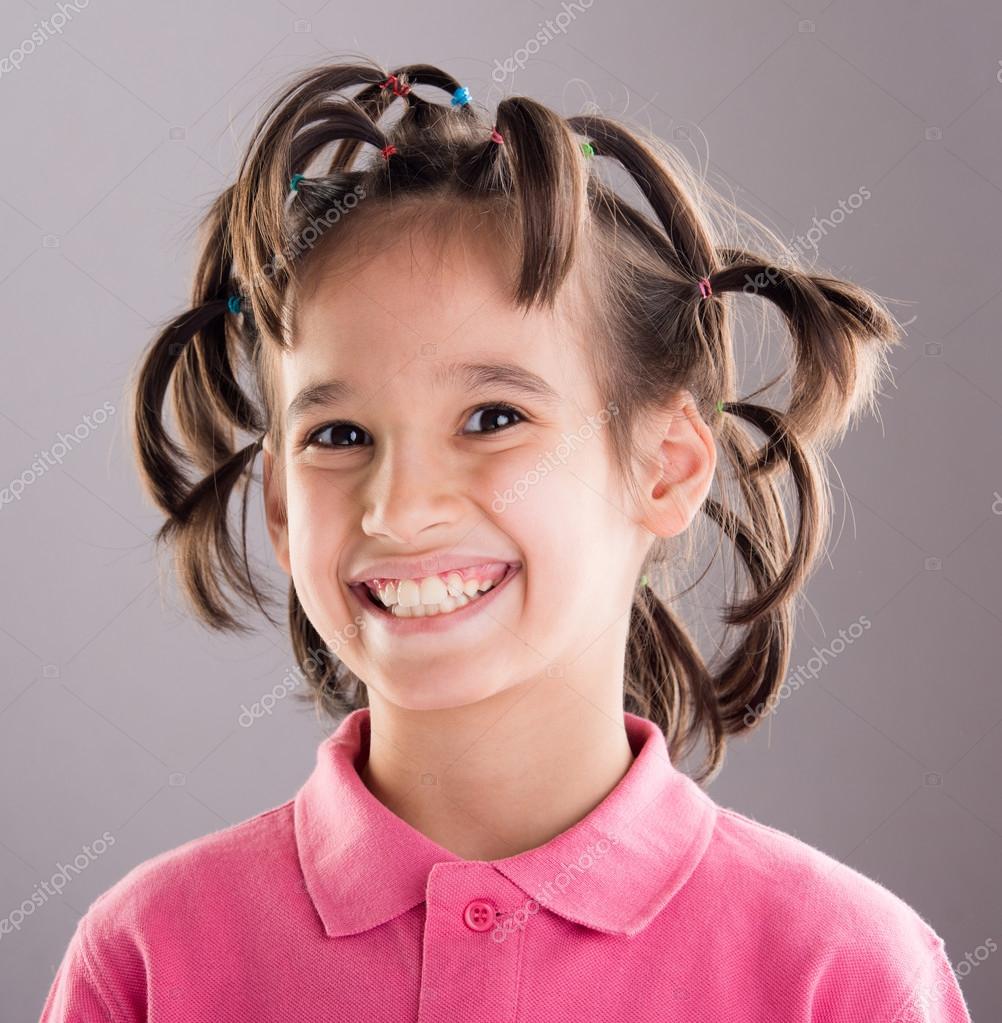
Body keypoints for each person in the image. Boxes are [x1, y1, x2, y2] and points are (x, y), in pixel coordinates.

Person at [40, 57, 973, 1021]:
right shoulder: (150, 958)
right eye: (339, 436)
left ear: (665, 466)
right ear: (279, 504)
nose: (398, 511)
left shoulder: (843, 971)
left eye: (492, 419)